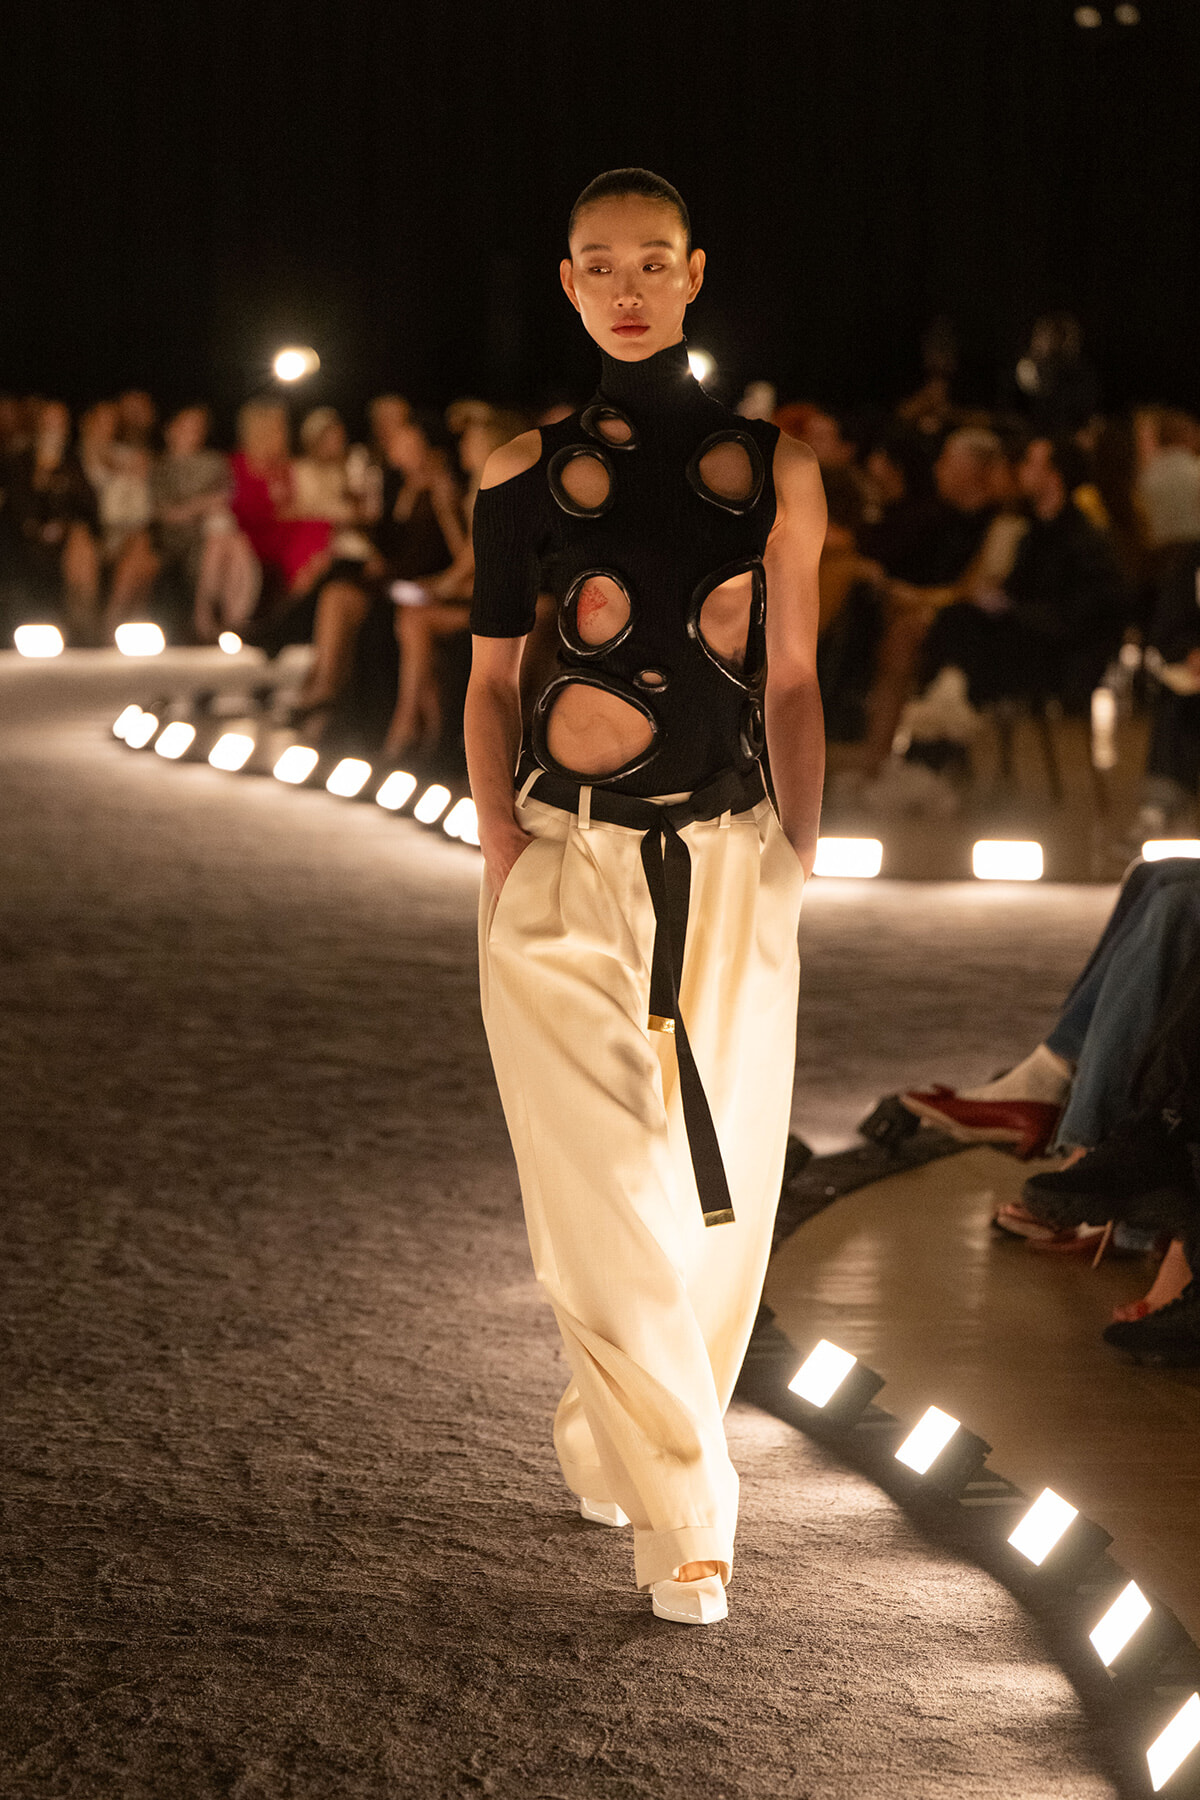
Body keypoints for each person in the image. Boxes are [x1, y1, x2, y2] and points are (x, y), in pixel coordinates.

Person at [464, 168, 825, 1626]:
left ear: (693, 274)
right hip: (564, 857)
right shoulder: (519, 470)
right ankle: (690, 1518)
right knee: (599, 1182)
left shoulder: (779, 468)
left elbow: (792, 680)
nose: (626, 286)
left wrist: (800, 851)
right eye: (599, 264)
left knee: (717, 1202)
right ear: (568, 283)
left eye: (652, 261)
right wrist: (503, 851)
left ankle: (608, 1434)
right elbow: (492, 683)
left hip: (732, 854)